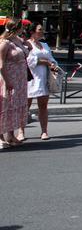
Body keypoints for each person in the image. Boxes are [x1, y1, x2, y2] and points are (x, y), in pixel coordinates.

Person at [25, 22, 59, 140]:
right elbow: (28, 60)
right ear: (32, 31)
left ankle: (44, 131)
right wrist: (45, 62)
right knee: (25, 106)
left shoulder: (45, 45)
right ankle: (21, 131)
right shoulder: (26, 44)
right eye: (40, 29)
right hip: (30, 78)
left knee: (43, 106)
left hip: (43, 78)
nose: (42, 31)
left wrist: (53, 64)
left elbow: (51, 59)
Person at [0, 19, 30, 147]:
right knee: (4, 106)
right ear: (16, 28)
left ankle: (11, 135)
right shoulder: (4, 43)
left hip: (20, 80)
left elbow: (30, 48)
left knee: (13, 107)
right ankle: (1, 136)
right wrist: (7, 81)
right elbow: (0, 65)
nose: (24, 29)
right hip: (8, 78)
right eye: (22, 27)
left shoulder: (18, 41)